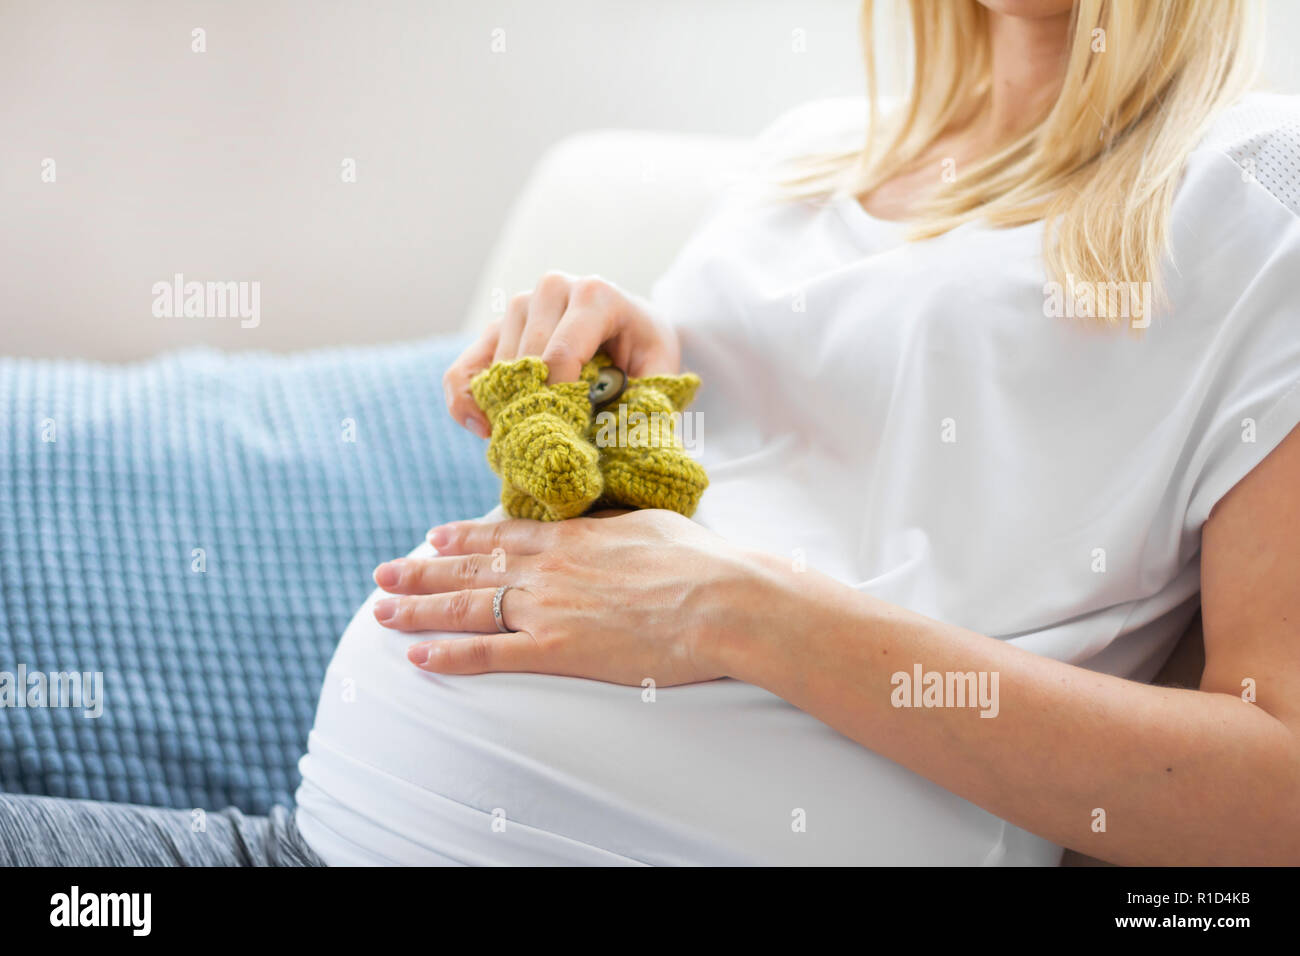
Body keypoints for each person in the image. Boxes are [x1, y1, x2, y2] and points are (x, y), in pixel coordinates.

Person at [5, 0, 1297, 866]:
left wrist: (742, 612)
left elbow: (1276, 786)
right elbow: (667, 555)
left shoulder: (1259, 199)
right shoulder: (811, 156)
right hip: (324, 835)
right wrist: (610, 398)